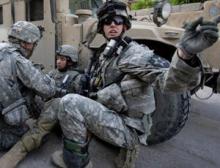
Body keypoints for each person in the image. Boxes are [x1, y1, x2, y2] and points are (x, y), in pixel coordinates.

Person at [0, 0, 218, 168]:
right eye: (108, 22)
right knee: (65, 102)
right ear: (102, 27)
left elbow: (169, 83)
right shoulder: (107, 54)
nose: (113, 25)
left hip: (128, 128)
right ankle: (50, 150)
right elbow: (90, 85)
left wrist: (185, 55)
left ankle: (77, 162)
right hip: (112, 115)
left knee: (69, 102)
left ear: (125, 25)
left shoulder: (135, 54)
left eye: (118, 21)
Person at [0, 21, 67, 167]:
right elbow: (47, 90)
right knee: (36, 137)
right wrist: (49, 80)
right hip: (4, 124)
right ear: (25, 43)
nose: (34, 47)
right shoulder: (19, 61)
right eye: (34, 43)